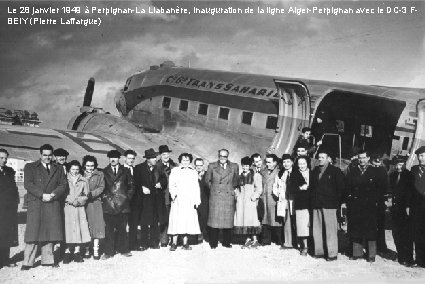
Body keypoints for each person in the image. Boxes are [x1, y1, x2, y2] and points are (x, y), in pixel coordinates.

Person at [22, 144, 67, 270]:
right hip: (37, 202)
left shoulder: (58, 168)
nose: (47, 158)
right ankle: (27, 262)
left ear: (52, 155)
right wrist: (42, 195)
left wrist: (53, 194)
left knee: (49, 232)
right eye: (45, 155)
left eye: (49, 155)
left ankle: (48, 260)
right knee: (33, 233)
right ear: (40, 155)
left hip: (52, 202)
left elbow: (63, 184)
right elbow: (28, 184)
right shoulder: (30, 167)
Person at [344, 150, 387, 263]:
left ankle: (371, 254)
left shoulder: (375, 171)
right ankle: (356, 253)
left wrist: (377, 201)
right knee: (356, 228)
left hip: (370, 205)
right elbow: (348, 187)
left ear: (368, 158)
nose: (362, 160)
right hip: (356, 205)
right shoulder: (353, 171)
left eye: (364, 158)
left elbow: (381, 189)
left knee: (370, 230)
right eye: (360, 158)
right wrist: (348, 200)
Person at [311, 149, 344, 261]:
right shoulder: (315, 170)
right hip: (317, 204)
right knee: (317, 229)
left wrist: (337, 203)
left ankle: (332, 253)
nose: (320, 159)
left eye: (323, 157)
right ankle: (319, 251)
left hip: (330, 205)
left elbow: (341, 189)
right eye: (319, 157)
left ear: (328, 159)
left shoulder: (335, 171)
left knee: (330, 230)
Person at [101, 150, 134, 259]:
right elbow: (102, 188)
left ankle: (124, 249)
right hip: (108, 205)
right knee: (109, 229)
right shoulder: (104, 171)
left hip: (123, 205)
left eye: (115, 157)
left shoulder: (125, 171)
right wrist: (106, 199)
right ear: (109, 159)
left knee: (122, 228)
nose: (113, 160)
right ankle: (109, 251)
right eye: (111, 158)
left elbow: (131, 186)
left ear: (119, 158)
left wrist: (126, 198)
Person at [205, 149, 239, 249]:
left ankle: (226, 242)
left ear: (228, 157)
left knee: (227, 221)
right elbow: (207, 181)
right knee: (214, 221)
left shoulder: (234, 166)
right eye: (220, 156)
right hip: (216, 196)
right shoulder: (212, 166)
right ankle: (213, 243)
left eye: (225, 156)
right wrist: (214, 189)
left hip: (228, 196)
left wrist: (231, 190)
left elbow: (236, 181)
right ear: (218, 156)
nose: (222, 158)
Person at [134, 148, 168, 250]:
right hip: (144, 200)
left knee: (154, 221)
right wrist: (142, 188)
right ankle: (143, 243)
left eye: (155, 157)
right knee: (144, 222)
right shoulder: (139, 168)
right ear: (148, 159)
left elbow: (164, 179)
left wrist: (160, 184)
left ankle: (154, 242)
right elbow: (135, 183)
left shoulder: (159, 168)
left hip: (156, 199)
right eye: (153, 158)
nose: (155, 159)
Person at [168, 153, 201, 251]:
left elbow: (196, 187)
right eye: (183, 160)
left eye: (187, 160)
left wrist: (196, 200)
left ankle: (185, 243)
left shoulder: (193, 172)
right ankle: (174, 243)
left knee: (186, 221)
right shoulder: (175, 171)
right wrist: (174, 195)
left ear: (190, 161)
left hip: (189, 200)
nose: (185, 162)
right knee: (176, 220)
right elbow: (171, 185)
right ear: (180, 161)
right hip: (178, 200)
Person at [63, 160, 91, 264]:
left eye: (77, 169)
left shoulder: (83, 180)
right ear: (69, 169)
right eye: (73, 169)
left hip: (79, 208)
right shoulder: (65, 179)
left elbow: (86, 195)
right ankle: (67, 252)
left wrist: (79, 201)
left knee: (79, 229)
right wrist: (71, 200)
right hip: (68, 207)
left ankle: (77, 252)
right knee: (68, 229)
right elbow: (63, 192)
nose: (75, 171)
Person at [274, 154, 303, 250]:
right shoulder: (280, 173)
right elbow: (275, 187)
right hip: (284, 201)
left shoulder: (296, 172)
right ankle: (288, 242)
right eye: (284, 162)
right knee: (287, 222)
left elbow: (302, 185)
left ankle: (299, 243)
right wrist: (279, 194)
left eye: (288, 162)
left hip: (294, 200)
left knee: (296, 221)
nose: (286, 164)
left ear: (292, 162)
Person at [234, 156, 263, 249]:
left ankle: (255, 240)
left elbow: (259, 189)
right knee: (244, 221)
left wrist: (254, 197)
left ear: (250, 166)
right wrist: (237, 196)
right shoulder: (240, 176)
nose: (245, 167)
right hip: (242, 202)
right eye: (244, 165)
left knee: (252, 220)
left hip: (251, 201)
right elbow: (237, 188)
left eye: (247, 165)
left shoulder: (256, 175)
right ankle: (247, 239)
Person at [389, 156, 413, 266]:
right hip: (395, 208)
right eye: (396, 164)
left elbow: (410, 193)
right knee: (396, 233)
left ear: (404, 164)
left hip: (404, 209)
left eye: (401, 164)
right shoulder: (392, 175)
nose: (398, 167)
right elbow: (390, 190)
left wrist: (408, 206)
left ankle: (407, 258)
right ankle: (400, 255)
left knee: (405, 234)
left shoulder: (409, 175)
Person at [82, 155, 105, 260]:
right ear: (84, 166)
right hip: (83, 204)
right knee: (86, 226)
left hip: (95, 203)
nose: (90, 168)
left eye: (92, 166)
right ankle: (87, 249)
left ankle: (96, 250)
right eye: (88, 166)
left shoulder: (100, 174)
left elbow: (101, 187)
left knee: (96, 227)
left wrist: (91, 194)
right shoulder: (81, 175)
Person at [0, 149, 19, 269]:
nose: (4, 160)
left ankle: (5, 260)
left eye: (5, 158)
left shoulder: (9, 171)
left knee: (6, 233)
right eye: (1, 158)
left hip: (8, 209)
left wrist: (16, 202)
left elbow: (14, 188)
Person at [156, 145, 177, 247]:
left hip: (173, 196)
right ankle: (164, 239)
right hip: (162, 196)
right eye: (164, 154)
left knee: (173, 217)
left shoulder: (174, 166)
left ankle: (174, 239)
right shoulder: (156, 166)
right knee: (163, 218)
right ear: (160, 155)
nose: (166, 156)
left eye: (167, 154)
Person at [260, 154, 282, 246]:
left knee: (276, 219)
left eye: (269, 162)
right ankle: (266, 240)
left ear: (275, 162)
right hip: (264, 198)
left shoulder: (279, 172)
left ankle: (279, 240)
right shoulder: (263, 172)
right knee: (265, 218)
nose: (267, 164)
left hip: (274, 199)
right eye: (266, 162)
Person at [370, 154, 390, 255]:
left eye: (379, 163)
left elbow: (386, 186)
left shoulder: (383, 171)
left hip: (380, 202)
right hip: (369, 202)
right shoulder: (369, 170)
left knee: (380, 225)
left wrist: (385, 199)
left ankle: (381, 246)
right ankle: (370, 246)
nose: (377, 166)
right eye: (375, 163)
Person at [294, 155, 313, 256]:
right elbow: (292, 188)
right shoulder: (295, 174)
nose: (301, 166)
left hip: (312, 202)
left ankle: (313, 245)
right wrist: (301, 188)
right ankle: (304, 246)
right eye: (299, 164)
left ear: (307, 163)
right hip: (300, 202)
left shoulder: (312, 173)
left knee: (312, 225)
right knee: (302, 226)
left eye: (303, 163)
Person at [410, 146, 425, 268]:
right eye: (419, 156)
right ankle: (420, 260)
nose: (421, 158)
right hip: (416, 207)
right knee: (418, 233)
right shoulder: (414, 170)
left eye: (423, 155)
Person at [194, 158, 209, 242]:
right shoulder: (192, 175)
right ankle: (198, 233)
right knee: (197, 216)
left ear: (203, 165)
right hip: (195, 198)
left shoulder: (207, 174)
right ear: (195, 166)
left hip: (205, 198)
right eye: (197, 165)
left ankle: (204, 232)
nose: (199, 167)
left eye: (200, 165)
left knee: (205, 216)